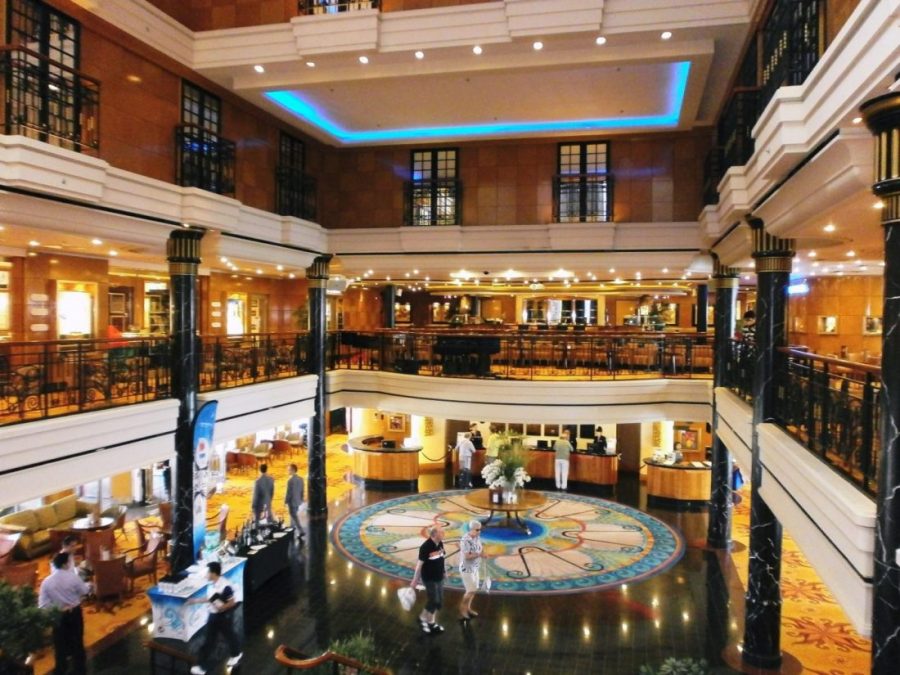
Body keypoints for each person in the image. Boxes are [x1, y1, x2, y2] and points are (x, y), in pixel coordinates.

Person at [39, 552, 91, 675]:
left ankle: (60, 669)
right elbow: (84, 591)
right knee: (77, 642)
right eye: (69, 561)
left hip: (57, 616)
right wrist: (89, 586)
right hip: (74, 613)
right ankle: (80, 670)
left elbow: (42, 605)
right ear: (64, 564)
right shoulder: (73, 578)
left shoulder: (46, 582)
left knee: (59, 645)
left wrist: (56, 609)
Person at [190, 561, 243, 674]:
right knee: (216, 638)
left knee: (221, 638)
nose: (206, 574)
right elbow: (210, 598)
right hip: (213, 615)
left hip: (222, 617)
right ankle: (236, 654)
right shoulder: (211, 584)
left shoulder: (225, 586)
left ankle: (203, 666)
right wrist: (195, 601)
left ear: (213, 573)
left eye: (208, 572)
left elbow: (232, 602)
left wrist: (223, 607)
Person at [410, 525, 446, 635]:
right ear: (434, 534)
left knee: (439, 602)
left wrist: (444, 571)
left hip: (439, 576)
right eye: (441, 532)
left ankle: (426, 620)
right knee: (433, 600)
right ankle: (427, 620)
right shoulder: (425, 547)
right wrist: (415, 580)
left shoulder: (440, 543)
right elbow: (419, 565)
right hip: (429, 578)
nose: (444, 533)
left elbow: (442, 558)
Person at [458, 520, 485, 621]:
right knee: (470, 591)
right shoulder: (465, 540)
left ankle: (468, 608)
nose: (479, 532)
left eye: (480, 529)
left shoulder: (477, 537)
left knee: (474, 590)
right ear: (471, 529)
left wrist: (483, 552)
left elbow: (480, 547)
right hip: (467, 569)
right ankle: (462, 609)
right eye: (477, 530)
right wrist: (479, 554)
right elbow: (467, 556)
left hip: (475, 567)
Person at [284, 463, 305, 540]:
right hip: (298, 500)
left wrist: (286, 501)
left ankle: (301, 530)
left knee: (293, 516)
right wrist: (301, 499)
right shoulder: (301, 479)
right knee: (293, 515)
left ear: (293, 470)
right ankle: (292, 530)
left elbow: (289, 492)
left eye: (289, 470)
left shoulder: (290, 481)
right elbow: (302, 490)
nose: (288, 471)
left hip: (292, 501)